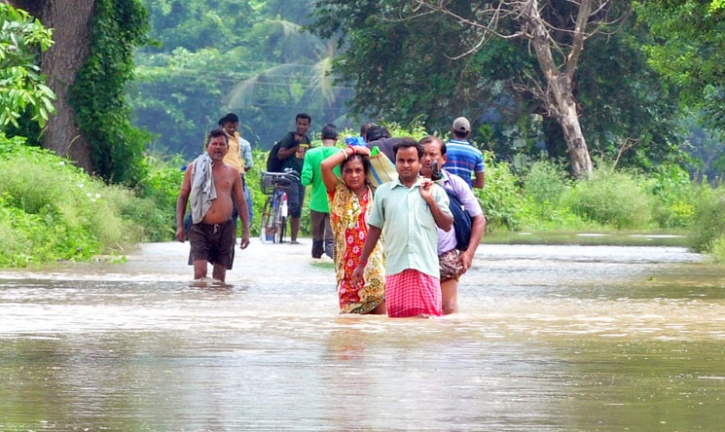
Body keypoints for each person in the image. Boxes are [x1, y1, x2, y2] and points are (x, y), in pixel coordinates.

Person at [353, 138, 453, 318]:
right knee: (397, 328)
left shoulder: (435, 191)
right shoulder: (384, 192)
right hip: (395, 270)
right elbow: (374, 229)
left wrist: (429, 200)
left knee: (428, 326)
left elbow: (446, 225)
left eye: (411, 160)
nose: (406, 165)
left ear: (420, 162)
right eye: (401, 160)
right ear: (395, 161)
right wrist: (361, 264)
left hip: (426, 270)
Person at [419, 135, 486, 314]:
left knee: (448, 310)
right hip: (415, 256)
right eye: (423, 154)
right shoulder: (406, 185)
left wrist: (469, 253)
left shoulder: (455, 184)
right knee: (418, 311)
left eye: (432, 154)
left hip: (445, 254)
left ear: (443, 159)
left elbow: (479, 219)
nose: (427, 159)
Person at [176, 128, 250, 282]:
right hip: (199, 226)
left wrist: (245, 231)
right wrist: (180, 226)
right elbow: (183, 196)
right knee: (200, 275)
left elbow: (241, 202)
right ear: (207, 147)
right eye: (214, 144)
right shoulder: (194, 168)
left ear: (227, 149)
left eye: (222, 145)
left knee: (220, 278)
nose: (218, 147)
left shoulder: (233, 172)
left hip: (225, 228)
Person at [321, 144, 386, 314]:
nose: (354, 175)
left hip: (376, 272)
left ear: (366, 174)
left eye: (358, 170)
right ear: (342, 174)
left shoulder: (377, 194)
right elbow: (325, 166)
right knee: (349, 333)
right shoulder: (338, 193)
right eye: (348, 171)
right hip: (347, 274)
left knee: (378, 326)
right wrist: (352, 150)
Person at [301, 123, 339, 259]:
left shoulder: (311, 153)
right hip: (335, 204)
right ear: (337, 138)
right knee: (331, 240)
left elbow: (305, 180)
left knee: (316, 242)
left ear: (321, 137)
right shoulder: (341, 154)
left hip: (316, 204)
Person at [276, 113, 312, 244]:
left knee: (298, 210)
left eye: (305, 124)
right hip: (289, 174)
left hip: (301, 177)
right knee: (295, 204)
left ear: (309, 126)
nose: (302, 126)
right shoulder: (289, 137)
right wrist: (295, 148)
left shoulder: (307, 140)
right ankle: (282, 218)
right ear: (296, 124)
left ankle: (293, 240)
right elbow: (280, 154)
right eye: (300, 124)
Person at [219, 113, 254, 227]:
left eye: (234, 127)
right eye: (229, 127)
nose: (232, 129)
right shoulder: (221, 139)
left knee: (237, 208)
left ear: (238, 125)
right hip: (224, 175)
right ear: (224, 125)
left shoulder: (238, 139)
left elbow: (247, 163)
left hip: (238, 175)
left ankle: (233, 235)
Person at [442, 117, 485, 189]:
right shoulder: (477, 154)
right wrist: (463, 182)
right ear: (469, 133)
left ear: (452, 130)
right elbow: (480, 183)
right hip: (465, 197)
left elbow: (435, 177)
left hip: (444, 195)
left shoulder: (442, 149)